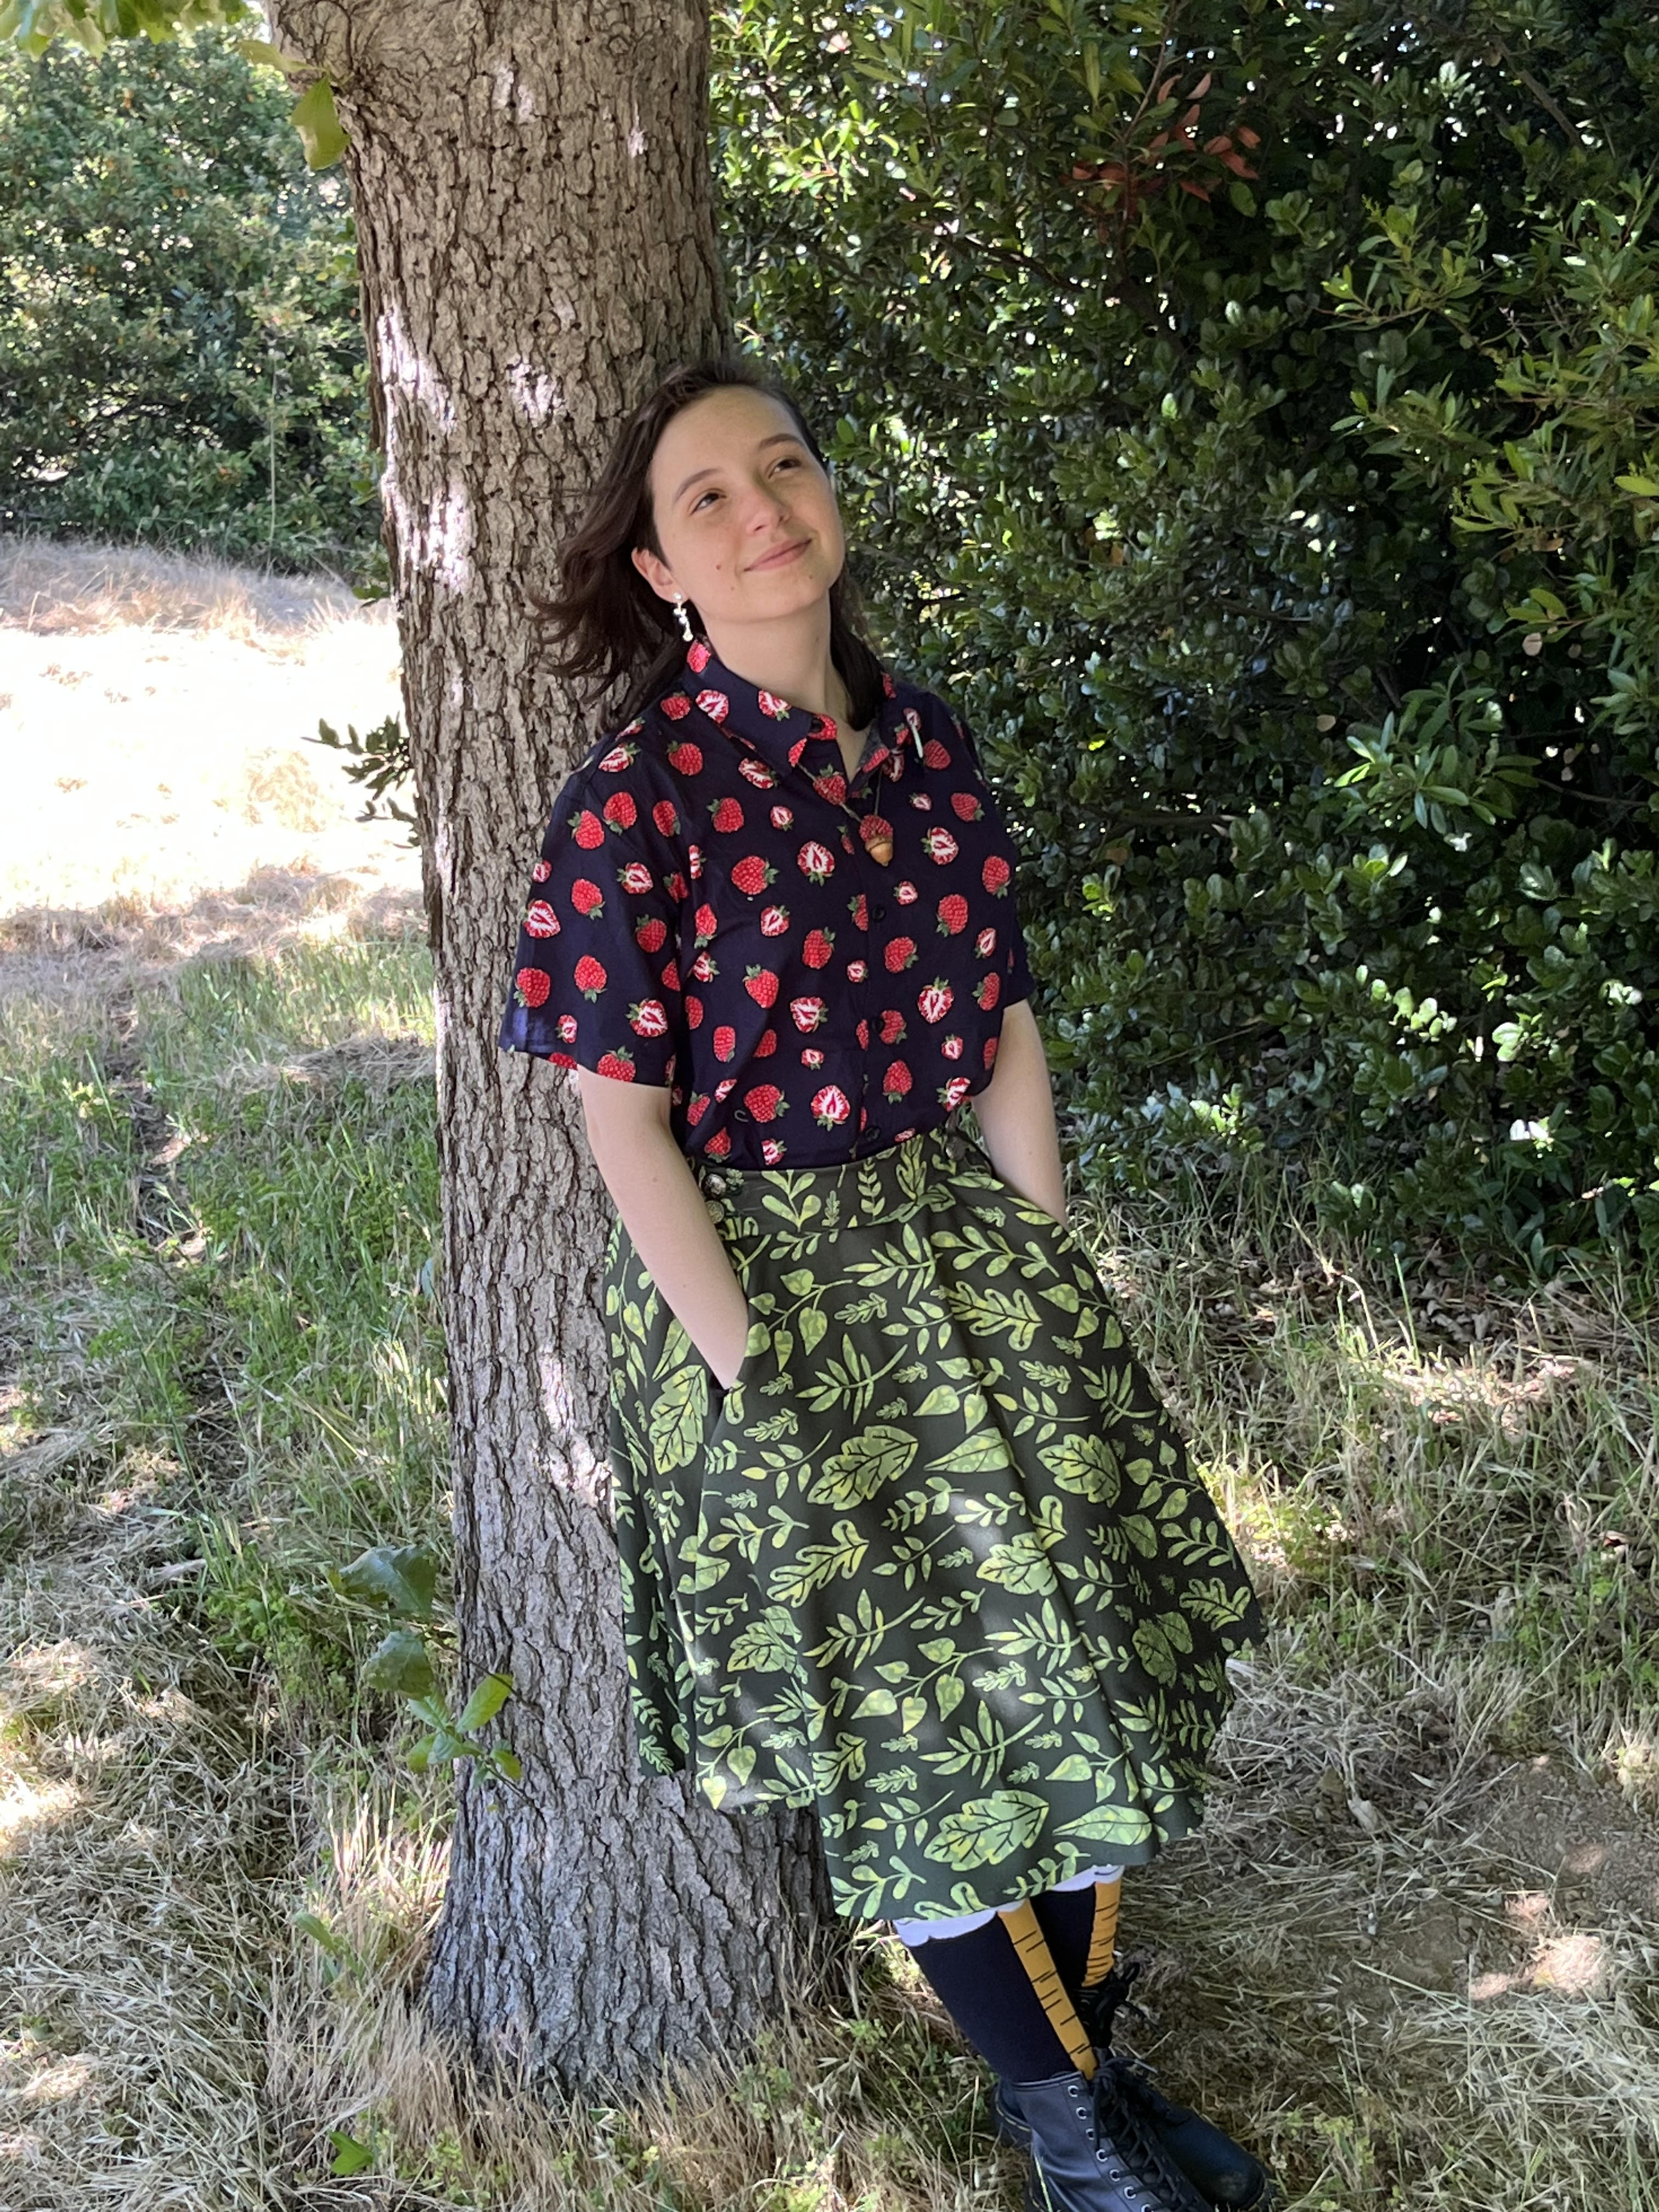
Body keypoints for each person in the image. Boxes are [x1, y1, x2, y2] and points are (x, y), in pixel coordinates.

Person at [498, 357, 1271, 2212]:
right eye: (707, 497)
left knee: (1063, 1657)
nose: (763, 509)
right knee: (911, 1733)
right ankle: (1085, 2146)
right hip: (766, 1299)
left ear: (832, 500)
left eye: (786, 466)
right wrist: (758, 1371)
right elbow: (624, 1130)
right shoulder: (631, 801)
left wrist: (1043, 1240)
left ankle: (1072, 2087)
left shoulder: (926, 743)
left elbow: (999, 1007)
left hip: (965, 1255)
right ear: (663, 568)